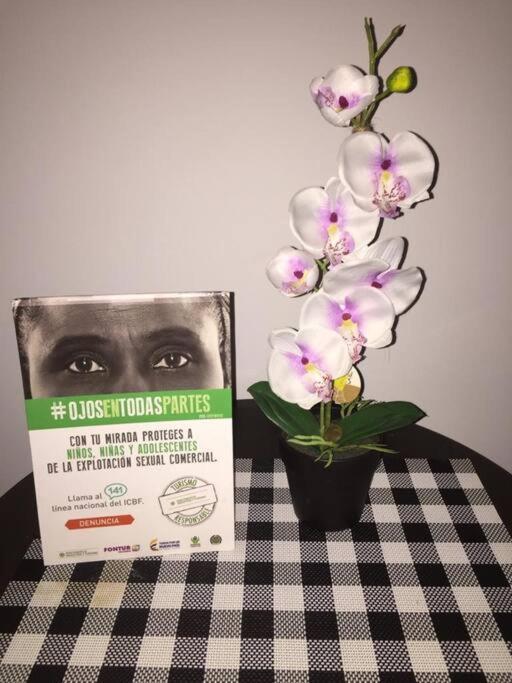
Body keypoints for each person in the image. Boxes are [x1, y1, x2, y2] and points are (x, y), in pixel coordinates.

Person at [13, 293, 232, 398]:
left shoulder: (241, 468)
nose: (132, 399)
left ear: (224, 366)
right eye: (83, 364)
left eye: (173, 360)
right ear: (27, 379)